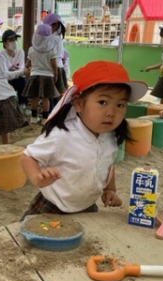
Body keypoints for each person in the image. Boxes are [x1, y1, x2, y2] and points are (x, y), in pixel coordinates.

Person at [20, 60, 148, 219]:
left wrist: (110, 189)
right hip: (53, 207)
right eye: (103, 102)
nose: (111, 112)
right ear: (79, 104)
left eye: (120, 105)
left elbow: (106, 162)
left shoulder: (110, 135)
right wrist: (36, 178)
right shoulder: (61, 135)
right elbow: (28, 156)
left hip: (87, 207)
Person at [23, 24, 58, 125]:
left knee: (35, 97)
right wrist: (55, 75)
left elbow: (28, 64)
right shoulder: (51, 50)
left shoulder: (31, 49)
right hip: (48, 76)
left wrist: (28, 69)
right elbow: (54, 65)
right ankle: (44, 119)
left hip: (35, 75)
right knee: (46, 98)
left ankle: (34, 118)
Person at [0, 29, 28, 115]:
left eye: (15, 39)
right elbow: (5, 75)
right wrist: (21, 72)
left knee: (22, 81)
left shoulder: (20, 52)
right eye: (11, 40)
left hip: (17, 79)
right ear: (5, 43)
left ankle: (22, 106)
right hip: (6, 81)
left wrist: (20, 72)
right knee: (9, 82)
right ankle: (11, 107)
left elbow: (22, 68)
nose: (14, 42)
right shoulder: (1, 55)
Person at [43, 13, 68, 97]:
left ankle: (57, 109)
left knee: (55, 93)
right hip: (59, 66)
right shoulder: (57, 37)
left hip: (54, 67)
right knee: (60, 92)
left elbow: (49, 53)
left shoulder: (52, 38)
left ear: (55, 25)